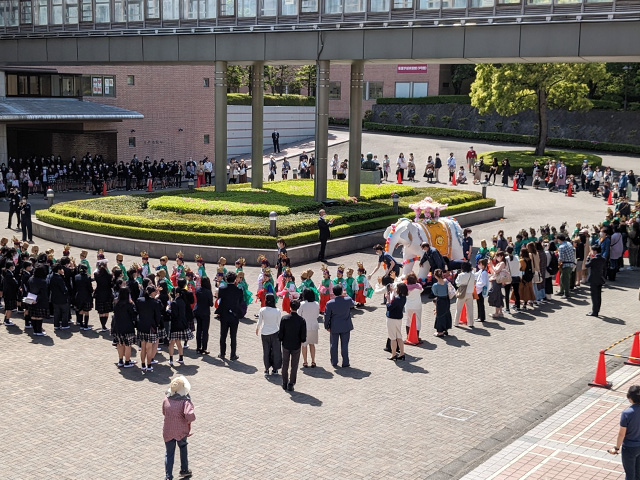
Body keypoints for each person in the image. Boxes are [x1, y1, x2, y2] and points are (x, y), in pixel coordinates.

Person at [163, 376, 195, 480]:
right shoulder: (185, 401)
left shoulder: (166, 399)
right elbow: (190, 415)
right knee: (183, 447)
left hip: (168, 430)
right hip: (181, 430)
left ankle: (168, 476)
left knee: (169, 452)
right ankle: (184, 470)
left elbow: (164, 412)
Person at [608, 385, 640, 479]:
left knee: (630, 474)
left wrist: (616, 448)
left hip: (629, 448)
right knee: (638, 472)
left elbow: (622, 434)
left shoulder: (627, 413)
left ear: (629, 397)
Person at [278, 299, 307, 392]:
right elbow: (303, 335)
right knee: (294, 365)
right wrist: (302, 341)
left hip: (286, 344)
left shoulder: (285, 319)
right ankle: (291, 383)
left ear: (290, 307)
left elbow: (281, 333)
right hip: (296, 345)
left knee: (285, 364)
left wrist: (281, 339)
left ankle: (284, 382)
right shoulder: (301, 320)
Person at [324, 284, 355, 368]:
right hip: (346, 326)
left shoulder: (329, 303)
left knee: (333, 344)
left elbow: (327, 316)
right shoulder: (347, 300)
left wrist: (326, 326)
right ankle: (345, 362)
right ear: (342, 292)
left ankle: (334, 362)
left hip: (334, 326)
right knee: (344, 345)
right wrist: (346, 294)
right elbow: (353, 303)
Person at [216, 271, 244, 361]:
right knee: (233, 336)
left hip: (224, 315)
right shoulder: (239, 290)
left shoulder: (222, 289)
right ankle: (233, 355)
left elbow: (219, 300)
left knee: (223, 335)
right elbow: (240, 302)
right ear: (235, 279)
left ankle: (222, 353)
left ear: (226, 279)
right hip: (234, 315)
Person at [137, 285, 163, 371]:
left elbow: (137, 312)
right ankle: (149, 365)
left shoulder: (140, 300)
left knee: (143, 347)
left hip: (141, 326)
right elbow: (158, 316)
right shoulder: (155, 302)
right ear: (152, 293)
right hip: (151, 327)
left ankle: (143, 365)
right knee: (149, 347)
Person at [256, 293, 282, 376]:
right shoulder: (277, 311)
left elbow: (259, 321)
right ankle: (275, 369)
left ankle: (266, 368)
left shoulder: (262, 310)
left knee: (266, 351)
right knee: (276, 351)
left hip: (264, 333)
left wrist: (257, 328)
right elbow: (279, 323)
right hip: (275, 333)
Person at [112, 287, 137, 368]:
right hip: (127, 327)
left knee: (119, 344)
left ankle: (120, 360)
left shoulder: (116, 304)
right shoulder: (129, 305)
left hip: (117, 327)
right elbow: (133, 315)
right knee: (127, 345)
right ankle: (127, 362)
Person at [298, 288, 320, 368]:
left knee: (304, 345)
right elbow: (317, 315)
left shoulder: (302, 304)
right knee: (312, 344)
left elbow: (299, 314)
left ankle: (305, 362)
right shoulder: (316, 304)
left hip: (304, 327)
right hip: (314, 326)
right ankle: (313, 361)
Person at [386, 283, 407, 361]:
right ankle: (402, 353)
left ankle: (393, 354)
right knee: (399, 337)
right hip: (399, 319)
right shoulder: (403, 298)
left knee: (393, 338)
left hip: (392, 319)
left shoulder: (397, 299)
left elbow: (389, 307)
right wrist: (392, 291)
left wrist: (388, 299)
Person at [585, 244, 607, 318]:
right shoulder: (603, 259)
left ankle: (594, 311)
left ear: (594, 251)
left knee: (594, 296)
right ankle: (597, 310)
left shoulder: (594, 259)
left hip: (593, 279)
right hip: (600, 279)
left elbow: (587, 265)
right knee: (598, 296)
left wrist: (588, 258)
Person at [49, 263, 70, 330]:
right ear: (58, 270)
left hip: (54, 297)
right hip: (62, 297)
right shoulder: (59, 278)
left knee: (56, 312)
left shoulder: (51, 276)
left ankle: (56, 325)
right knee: (64, 311)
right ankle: (64, 324)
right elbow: (64, 288)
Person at [432, 269, 452, 337]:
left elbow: (435, 293)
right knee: (446, 313)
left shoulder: (435, 285)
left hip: (440, 300)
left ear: (436, 276)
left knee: (440, 315)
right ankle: (446, 329)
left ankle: (440, 331)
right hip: (446, 299)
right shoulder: (446, 282)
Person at [454, 262, 475, 327]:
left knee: (458, 309)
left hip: (462, 294)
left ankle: (456, 323)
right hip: (470, 293)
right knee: (470, 309)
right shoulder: (472, 275)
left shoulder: (461, 275)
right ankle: (470, 323)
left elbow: (457, 283)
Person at [557, 234, 576, 299]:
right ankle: (561, 291)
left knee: (565, 279)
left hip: (565, 264)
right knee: (563, 278)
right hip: (571, 263)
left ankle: (566, 293)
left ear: (559, 239)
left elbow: (561, 258)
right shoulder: (569, 243)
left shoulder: (562, 247)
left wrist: (558, 264)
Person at [404, 272, 423, 338]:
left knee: (408, 320)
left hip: (408, 306)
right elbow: (422, 290)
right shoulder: (418, 287)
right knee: (418, 321)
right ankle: (416, 337)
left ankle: (408, 336)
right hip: (417, 306)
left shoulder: (405, 288)